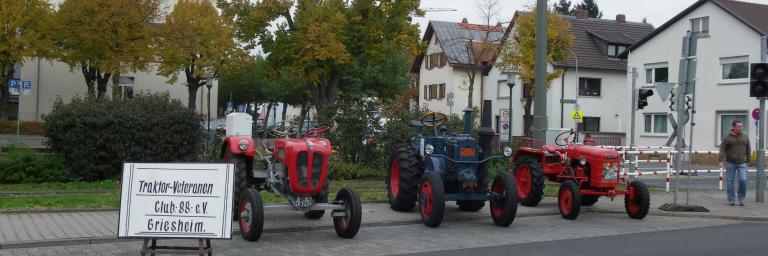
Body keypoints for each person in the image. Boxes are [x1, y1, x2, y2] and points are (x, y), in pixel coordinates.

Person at [719, 120, 751, 206]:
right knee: (730, 182)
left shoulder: (745, 137)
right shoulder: (727, 138)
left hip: (742, 162)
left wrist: (748, 160)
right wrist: (721, 160)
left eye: (741, 126)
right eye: (739, 126)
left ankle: (741, 198)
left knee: (743, 180)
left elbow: (748, 149)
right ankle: (731, 199)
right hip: (730, 162)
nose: (741, 128)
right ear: (733, 127)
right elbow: (722, 149)